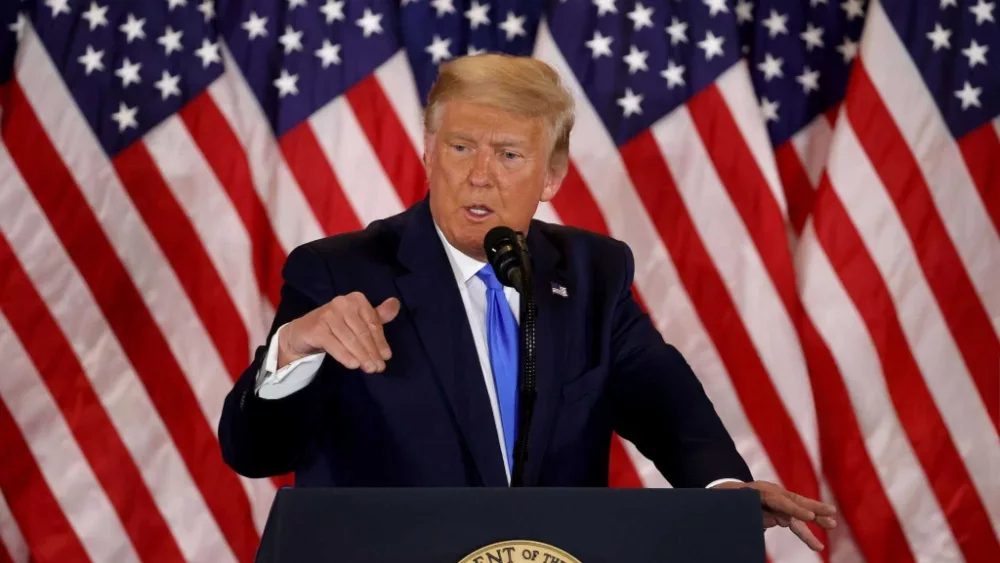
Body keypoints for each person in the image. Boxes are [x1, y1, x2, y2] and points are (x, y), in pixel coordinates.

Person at [218, 54, 837, 551]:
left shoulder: (593, 272)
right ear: (429, 153)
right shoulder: (340, 272)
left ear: (551, 176)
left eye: (509, 155)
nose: (480, 175)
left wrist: (723, 493)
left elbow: (664, 403)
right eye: (461, 147)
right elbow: (257, 452)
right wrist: (292, 349)